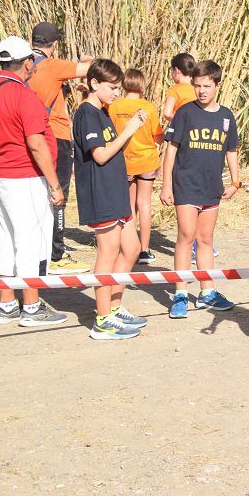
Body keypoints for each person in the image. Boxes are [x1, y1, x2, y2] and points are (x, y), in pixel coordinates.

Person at [0, 36, 68, 327]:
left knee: (7, 241)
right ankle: (31, 306)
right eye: (32, 62)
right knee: (31, 243)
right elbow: (36, 144)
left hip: (0, 177)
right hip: (25, 178)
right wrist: (54, 184)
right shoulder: (24, 96)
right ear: (26, 62)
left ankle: (6, 304)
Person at [74, 59, 149, 339]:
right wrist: (128, 130)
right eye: (113, 88)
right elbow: (101, 154)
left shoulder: (103, 112)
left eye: (119, 88)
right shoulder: (86, 114)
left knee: (132, 249)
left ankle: (115, 308)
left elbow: (114, 149)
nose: (117, 93)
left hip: (116, 190)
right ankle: (102, 320)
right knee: (108, 251)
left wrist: (134, 128)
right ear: (95, 84)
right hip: (100, 192)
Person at [161, 60, 241, 318]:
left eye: (207, 86)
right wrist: (166, 185)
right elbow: (170, 149)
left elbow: (231, 150)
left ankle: (207, 292)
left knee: (205, 239)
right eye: (197, 86)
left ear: (217, 85)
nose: (202, 91)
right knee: (186, 235)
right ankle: (181, 293)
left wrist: (235, 181)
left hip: (211, 187)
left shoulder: (226, 116)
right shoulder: (185, 113)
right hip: (185, 185)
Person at [28, 21, 93, 275]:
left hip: (34, 137)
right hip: (57, 136)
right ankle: (57, 253)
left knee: (40, 194)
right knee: (59, 194)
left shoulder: (25, 65)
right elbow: (91, 68)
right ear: (54, 45)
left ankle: (43, 250)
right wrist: (88, 60)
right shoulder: (53, 65)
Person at [108, 68, 163, 265]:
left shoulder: (114, 106)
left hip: (124, 160)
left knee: (129, 205)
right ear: (142, 84)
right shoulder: (148, 107)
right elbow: (158, 135)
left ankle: (128, 245)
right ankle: (145, 249)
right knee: (145, 204)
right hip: (147, 159)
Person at [162, 53, 197, 123]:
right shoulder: (198, 90)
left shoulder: (175, 90)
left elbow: (167, 113)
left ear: (176, 70)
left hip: (181, 131)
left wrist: (182, 122)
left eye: (171, 70)